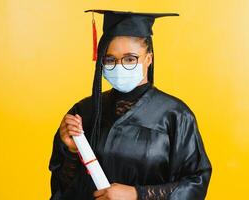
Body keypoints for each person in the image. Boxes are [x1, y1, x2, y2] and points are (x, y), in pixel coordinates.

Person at [48, 9, 212, 200]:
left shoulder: (175, 115)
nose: (119, 66)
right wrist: (72, 152)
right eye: (110, 59)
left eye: (129, 59)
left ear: (148, 59)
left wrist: (136, 194)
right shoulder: (84, 111)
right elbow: (63, 188)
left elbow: (195, 183)